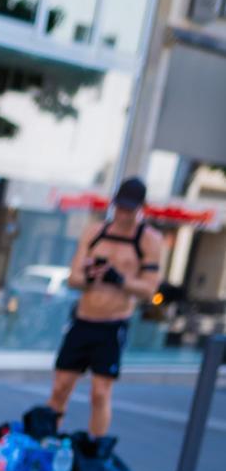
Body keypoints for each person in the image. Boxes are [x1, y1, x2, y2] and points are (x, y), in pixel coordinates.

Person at [40, 176, 162, 438]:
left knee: (100, 393)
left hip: (112, 324)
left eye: (129, 209)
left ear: (140, 208)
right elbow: (73, 279)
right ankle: (47, 442)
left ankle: (96, 448)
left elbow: (149, 290)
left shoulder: (148, 240)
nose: (123, 214)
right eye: (120, 207)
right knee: (60, 387)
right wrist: (91, 276)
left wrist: (119, 279)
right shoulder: (95, 232)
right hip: (83, 319)